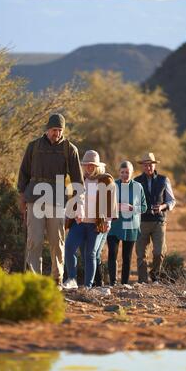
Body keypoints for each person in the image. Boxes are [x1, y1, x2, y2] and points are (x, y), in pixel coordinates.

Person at [17, 113, 84, 290]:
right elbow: (23, 173)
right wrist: (22, 198)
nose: (57, 134)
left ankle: (57, 279)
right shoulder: (33, 147)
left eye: (60, 130)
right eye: (54, 130)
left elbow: (77, 180)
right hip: (35, 199)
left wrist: (78, 205)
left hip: (57, 201)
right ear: (47, 129)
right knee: (35, 240)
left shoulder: (70, 149)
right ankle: (33, 281)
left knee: (57, 241)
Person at [64, 150, 118, 290]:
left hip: (96, 224)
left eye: (92, 165)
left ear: (97, 165)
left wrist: (108, 221)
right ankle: (72, 279)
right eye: (86, 164)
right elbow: (72, 200)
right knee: (69, 248)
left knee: (91, 254)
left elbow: (111, 202)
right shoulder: (80, 179)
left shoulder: (106, 180)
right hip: (79, 222)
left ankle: (88, 285)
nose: (89, 167)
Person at [134, 152, 176, 284]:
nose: (148, 167)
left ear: (154, 165)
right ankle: (142, 281)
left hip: (159, 222)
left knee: (159, 252)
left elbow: (172, 201)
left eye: (150, 165)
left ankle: (155, 275)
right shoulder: (136, 181)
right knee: (141, 254)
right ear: (142, 166)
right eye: (145, 165)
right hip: (141, 222)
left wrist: (163, 207)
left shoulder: (164, 180)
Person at [107, 160, 147, 286]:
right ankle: (112, 282)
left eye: (127, 172)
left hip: (131, 226)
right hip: (114, 225)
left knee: (127, 257)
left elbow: (144, 207)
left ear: (132, 173)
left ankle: (124, 283)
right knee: (112, 254)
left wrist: (132, 208)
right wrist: (114, 207)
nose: (125, 174)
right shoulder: (113, 185)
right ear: (119, 173)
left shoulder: (138, 187)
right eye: (122, 172)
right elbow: (105, 204)